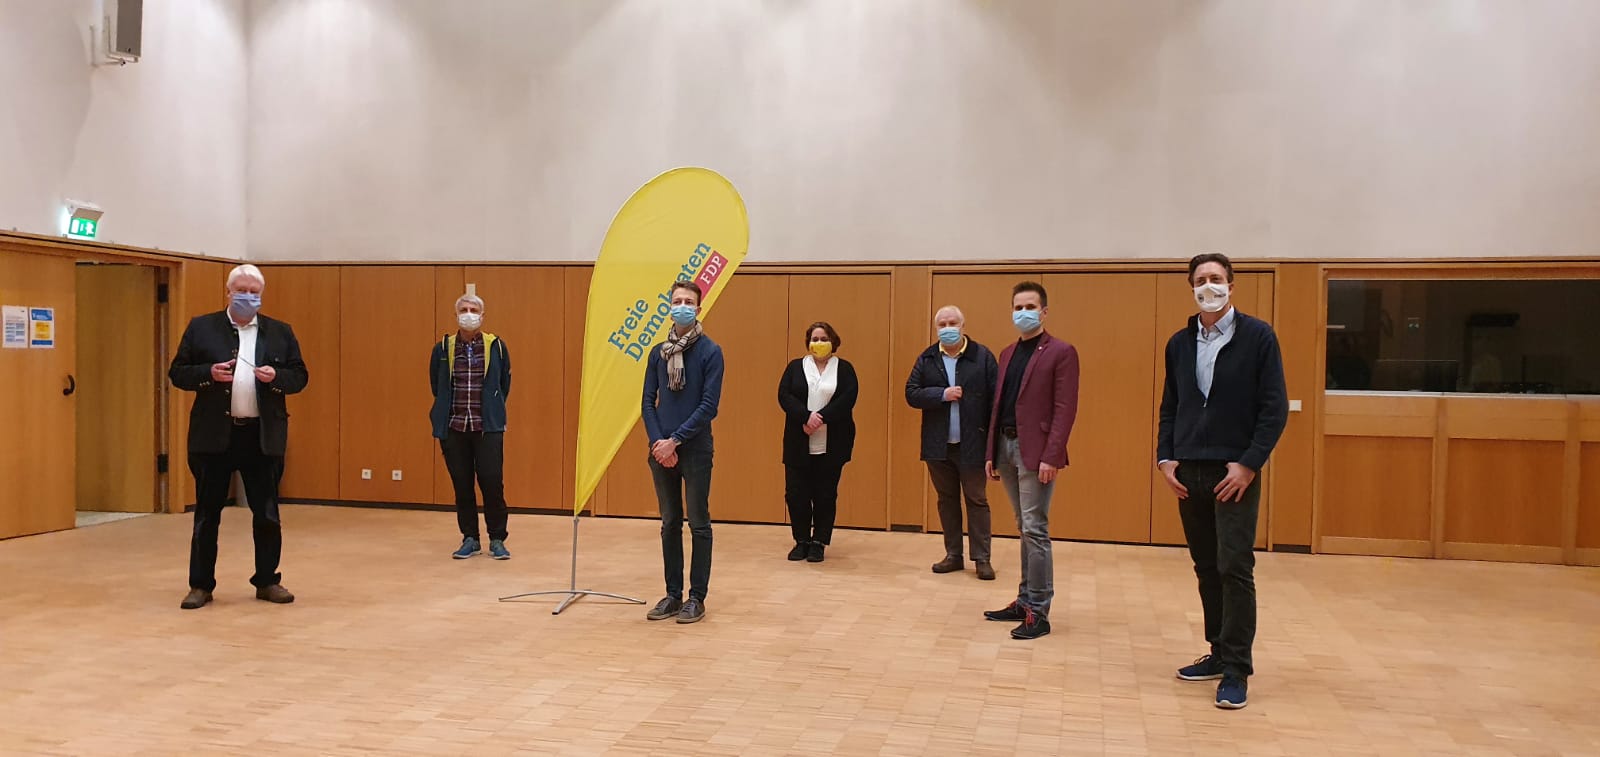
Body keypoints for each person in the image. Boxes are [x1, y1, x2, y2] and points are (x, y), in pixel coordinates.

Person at [1158, 253, 1288, 711]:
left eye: (1216, 278)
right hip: (1188, 470)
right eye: (1200, 280)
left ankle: (1236, 669)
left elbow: (1274, 408)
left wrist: (1249, 464)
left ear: (1231, 285)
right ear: (1191, 287)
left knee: (1234, 566)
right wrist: (1165, 459)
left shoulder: (1258, 337)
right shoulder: (1179, 343)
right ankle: (1216, 651)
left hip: (1234, 472)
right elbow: (1170, 406)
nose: (1208, 286)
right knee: (1206, 565)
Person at [168, 264, 308, 610]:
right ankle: (200, 585)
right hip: (214, 436)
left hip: (261, 437)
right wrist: (208, 373)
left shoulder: (280, 332)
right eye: (242, 290)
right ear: (228, 292)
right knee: (207, 515)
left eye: (254, 292)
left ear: (261, 295)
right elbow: (178, 373)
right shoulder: (202, 328)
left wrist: (276, 377)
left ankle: (267, 580)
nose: (248, 297)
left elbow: (299, 376)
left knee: (267, 514)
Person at [983, 281, 1079, 640]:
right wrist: (990, 452)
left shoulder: (1061, 351)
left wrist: (1051, 455)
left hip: (1036, 451)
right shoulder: (1007, 353)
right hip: (1005, 447)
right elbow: (999, 404)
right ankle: (1024, 601)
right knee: (1022, 526)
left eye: (1030, 306)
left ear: (1044, 311)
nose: (1023, 312)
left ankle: (1039, 610)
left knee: (1035, 528)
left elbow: (1064, 409)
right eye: (1017, 307)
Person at [642, 280, 724, 624]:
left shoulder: (710, 352)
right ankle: (673, 595)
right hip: (661, 450)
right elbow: (648, 402)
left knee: (699, 522)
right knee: (670, 522)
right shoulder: (657, 353)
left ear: (699, 309)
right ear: (669, 307)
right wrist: (659, 443)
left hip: (694, 449)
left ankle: (696, 597)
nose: (682, 307)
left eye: (689, 302)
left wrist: (675, 440)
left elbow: (708, 405)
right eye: (677, 301)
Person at [904, 305, 998, 580]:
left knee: (976, 500)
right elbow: (911, 393)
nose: (948, 328)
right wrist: (942, 394)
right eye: (942, 324)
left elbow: (996, 398)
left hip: (973, 443)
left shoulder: (982, 356)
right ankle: (953, 554)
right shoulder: (928, 357)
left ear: (963, 325)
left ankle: (982, 558)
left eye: (952, 323)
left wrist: (994, 444)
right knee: (946, 500)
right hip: (938, 445)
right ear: (936, 329)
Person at [429, 291, 513, 560]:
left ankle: (497, 539)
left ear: (482, 316)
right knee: (462, 485)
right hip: (454, 428)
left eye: (474, 310)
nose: (469, 315)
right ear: (455, 315)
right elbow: (437, 385)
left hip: (487, 428)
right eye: (464, 310)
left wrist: (492, 410)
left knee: (492, 483)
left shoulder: (496, 346)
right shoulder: (443, 348)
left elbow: (504, 384)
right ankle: (470, 538)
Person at [777, 321, 859, 563]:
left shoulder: (844, 369)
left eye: (824, 339)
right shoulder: (795, 367)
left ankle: (819, 542)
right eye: (815, 339)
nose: (819, 343)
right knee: (796, 494)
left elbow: (848, 398)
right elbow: (784, 395)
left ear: (833, 342)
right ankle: (801, 540)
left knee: (825, 495)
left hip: (832, 443)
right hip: (798, 441)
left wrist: (820, 418)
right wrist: (805, 417)